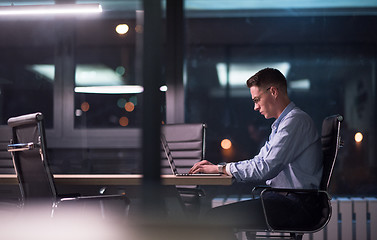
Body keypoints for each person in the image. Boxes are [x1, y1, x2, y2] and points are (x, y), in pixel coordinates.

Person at [189, 68, 323, 236]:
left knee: (214, 217)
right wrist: (221, 168)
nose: (255, 107)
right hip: (286, 201)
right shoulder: (282, 125)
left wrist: (220, 169)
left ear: (273, 91)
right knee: (216, 217)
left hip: (295, 205)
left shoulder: (295, 122)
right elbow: (259, 162)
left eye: (257, 99)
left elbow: (264, 168)